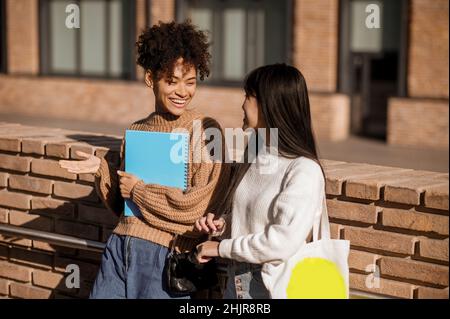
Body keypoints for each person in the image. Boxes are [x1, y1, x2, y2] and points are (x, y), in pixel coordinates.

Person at [59, 20, 227, 299]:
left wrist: (139, 190)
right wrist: (103, 170)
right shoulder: (137, 130)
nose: (182, 92)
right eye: (171, 81)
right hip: (119, 246)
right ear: (151, 78)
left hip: (166, 257)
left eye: (190, 82)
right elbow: (123, 206)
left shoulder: (205, 130)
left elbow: (196, 208)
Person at [194, 63, 326, 299]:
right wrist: (223, 226)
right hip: (239, 281)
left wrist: (220, 248)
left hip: (273, 286)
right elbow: (256, 218)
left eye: (248, 96)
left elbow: (283, 242)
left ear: (269, 103)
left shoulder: (304, 170)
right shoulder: (256, 153)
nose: (242, 104)